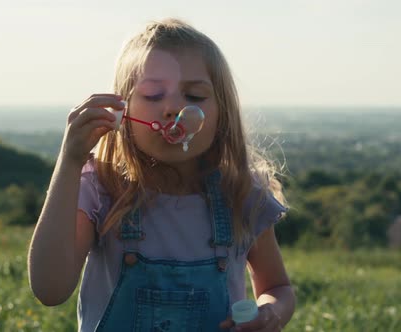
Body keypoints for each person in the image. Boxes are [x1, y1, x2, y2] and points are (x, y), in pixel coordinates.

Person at [28, 18, 295, 331]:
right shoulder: (101, 189)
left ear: (222, 113)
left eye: (194, 96)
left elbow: (278, 288)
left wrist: (271, 312)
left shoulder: (241, 193)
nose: (172, 108)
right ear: (123, 111)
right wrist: (70, 163)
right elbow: (49, 289)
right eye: (153, 95)